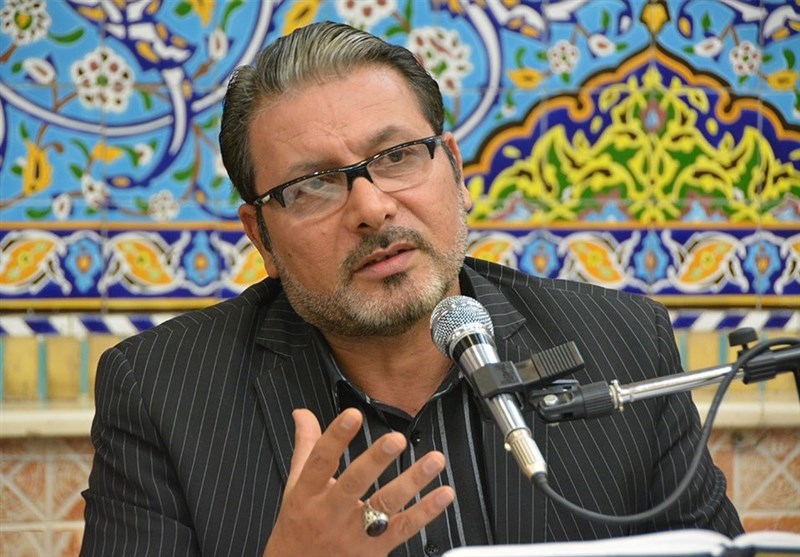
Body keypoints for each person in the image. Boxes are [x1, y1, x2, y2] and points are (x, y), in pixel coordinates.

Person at [80, 21, 743, 557]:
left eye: (396, 157)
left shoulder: (622, 344)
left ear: (453, 168)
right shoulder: (162, 391)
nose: (371, 207)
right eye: (312, 185)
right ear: (262, 236)